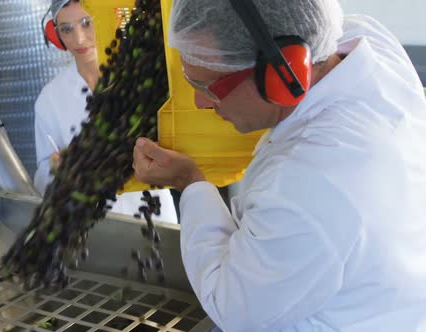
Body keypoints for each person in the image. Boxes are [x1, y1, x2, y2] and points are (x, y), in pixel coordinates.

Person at [133, 0, 426, 330]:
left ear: (283, 73)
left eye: (208, 86)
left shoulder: (310, 182)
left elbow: (233, 308)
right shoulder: (361, 41)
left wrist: (190, 182)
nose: (201, 102)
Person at [34, 0, 177, 223]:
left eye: (86, 23)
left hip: (153, 213)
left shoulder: (142, 77)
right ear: (56, 35)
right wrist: (56, 170)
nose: (79, 39)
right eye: (66, 29)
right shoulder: (50, 99)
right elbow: (43, 180)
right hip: (91, 222)